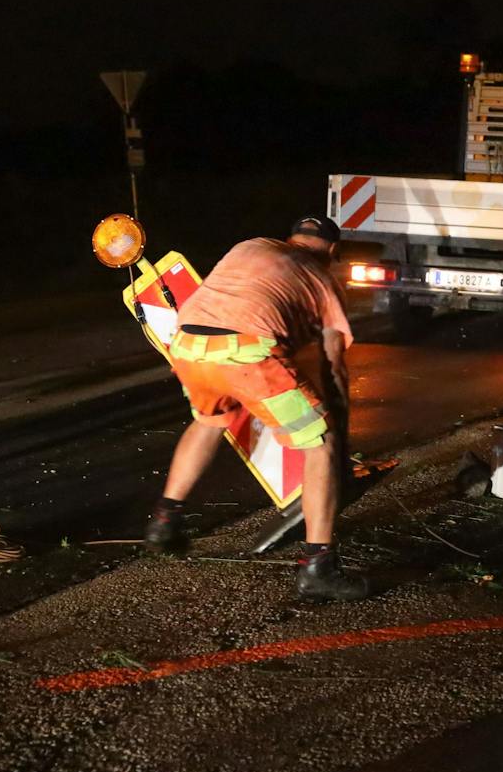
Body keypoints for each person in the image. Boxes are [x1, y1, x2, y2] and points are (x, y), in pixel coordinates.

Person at [143, 215, 370, 602]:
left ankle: (165, 521)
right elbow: (333, 365)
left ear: (291, 238)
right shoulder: (322, 278)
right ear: (333, 251)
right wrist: (341, 437)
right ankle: (319, 568)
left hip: (187, 346)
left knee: (211, 418)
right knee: (321, 444)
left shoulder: (251, 245)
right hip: (246, 353)